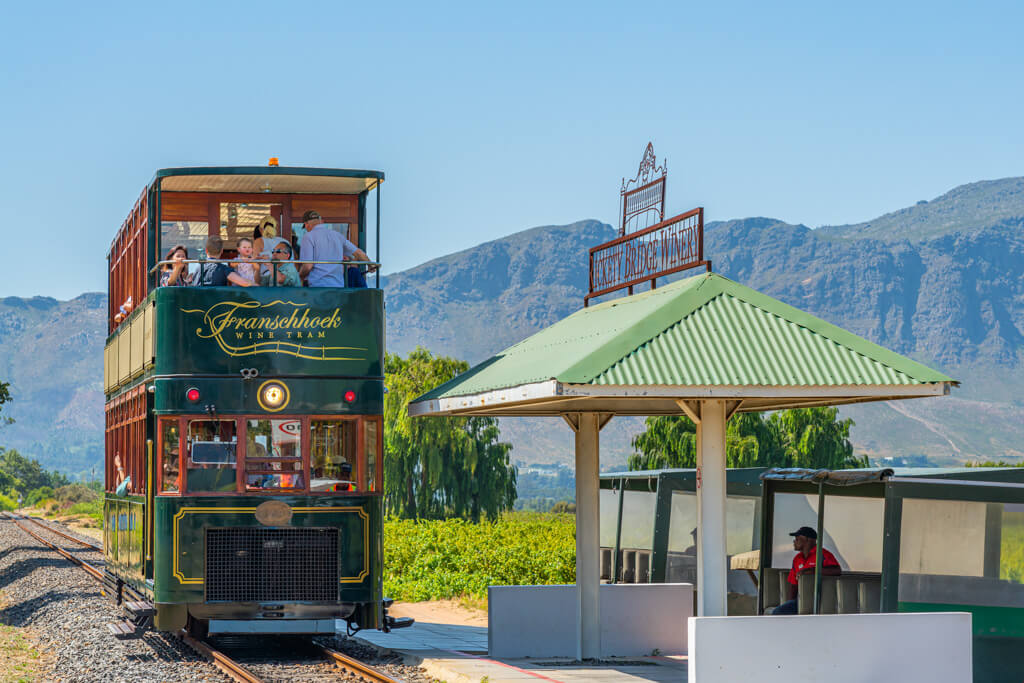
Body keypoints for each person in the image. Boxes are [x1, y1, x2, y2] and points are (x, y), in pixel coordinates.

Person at [770, 526, 840, 615]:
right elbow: (793, 584)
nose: (794, 541)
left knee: (778, 612)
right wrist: (789, 604)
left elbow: (837, 571)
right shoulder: (797, 558)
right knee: (781, 611)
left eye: (797, 539)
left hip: (820, 599)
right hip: (801, 599)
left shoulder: (822, 554)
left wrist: (813, 570)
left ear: (807, 539)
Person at [297, 210, 376, 287]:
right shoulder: (337, 235)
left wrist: (298, 278)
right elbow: (358, 253)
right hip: (338, 287)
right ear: (320, 221)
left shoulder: (308, 236)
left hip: (318, 287)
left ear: (306, 224)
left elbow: (307, 266)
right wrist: (370, 264)